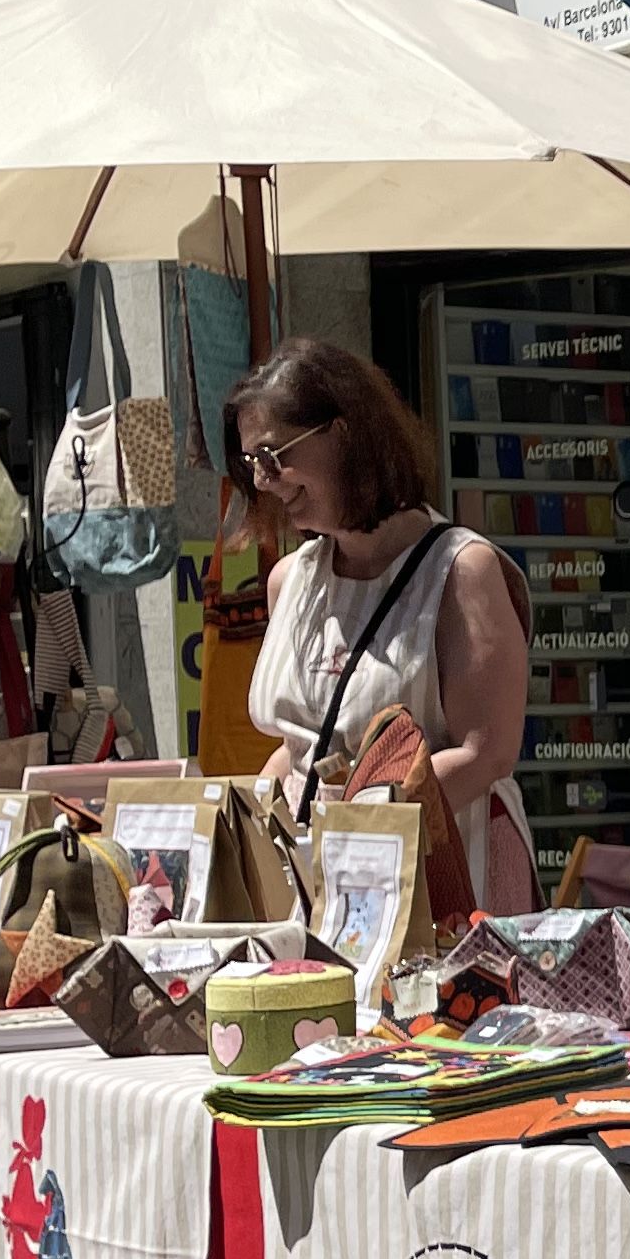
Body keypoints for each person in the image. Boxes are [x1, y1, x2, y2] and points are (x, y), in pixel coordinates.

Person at [225, 336, 539, 917]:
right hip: (316, 884)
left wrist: (358, 827)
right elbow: (299, 747)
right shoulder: (288, 580)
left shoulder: (462, 571)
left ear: (344, 434)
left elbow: (486, 752)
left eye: (273, 455)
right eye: (251, 464)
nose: (263, 481)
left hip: (442, 879)